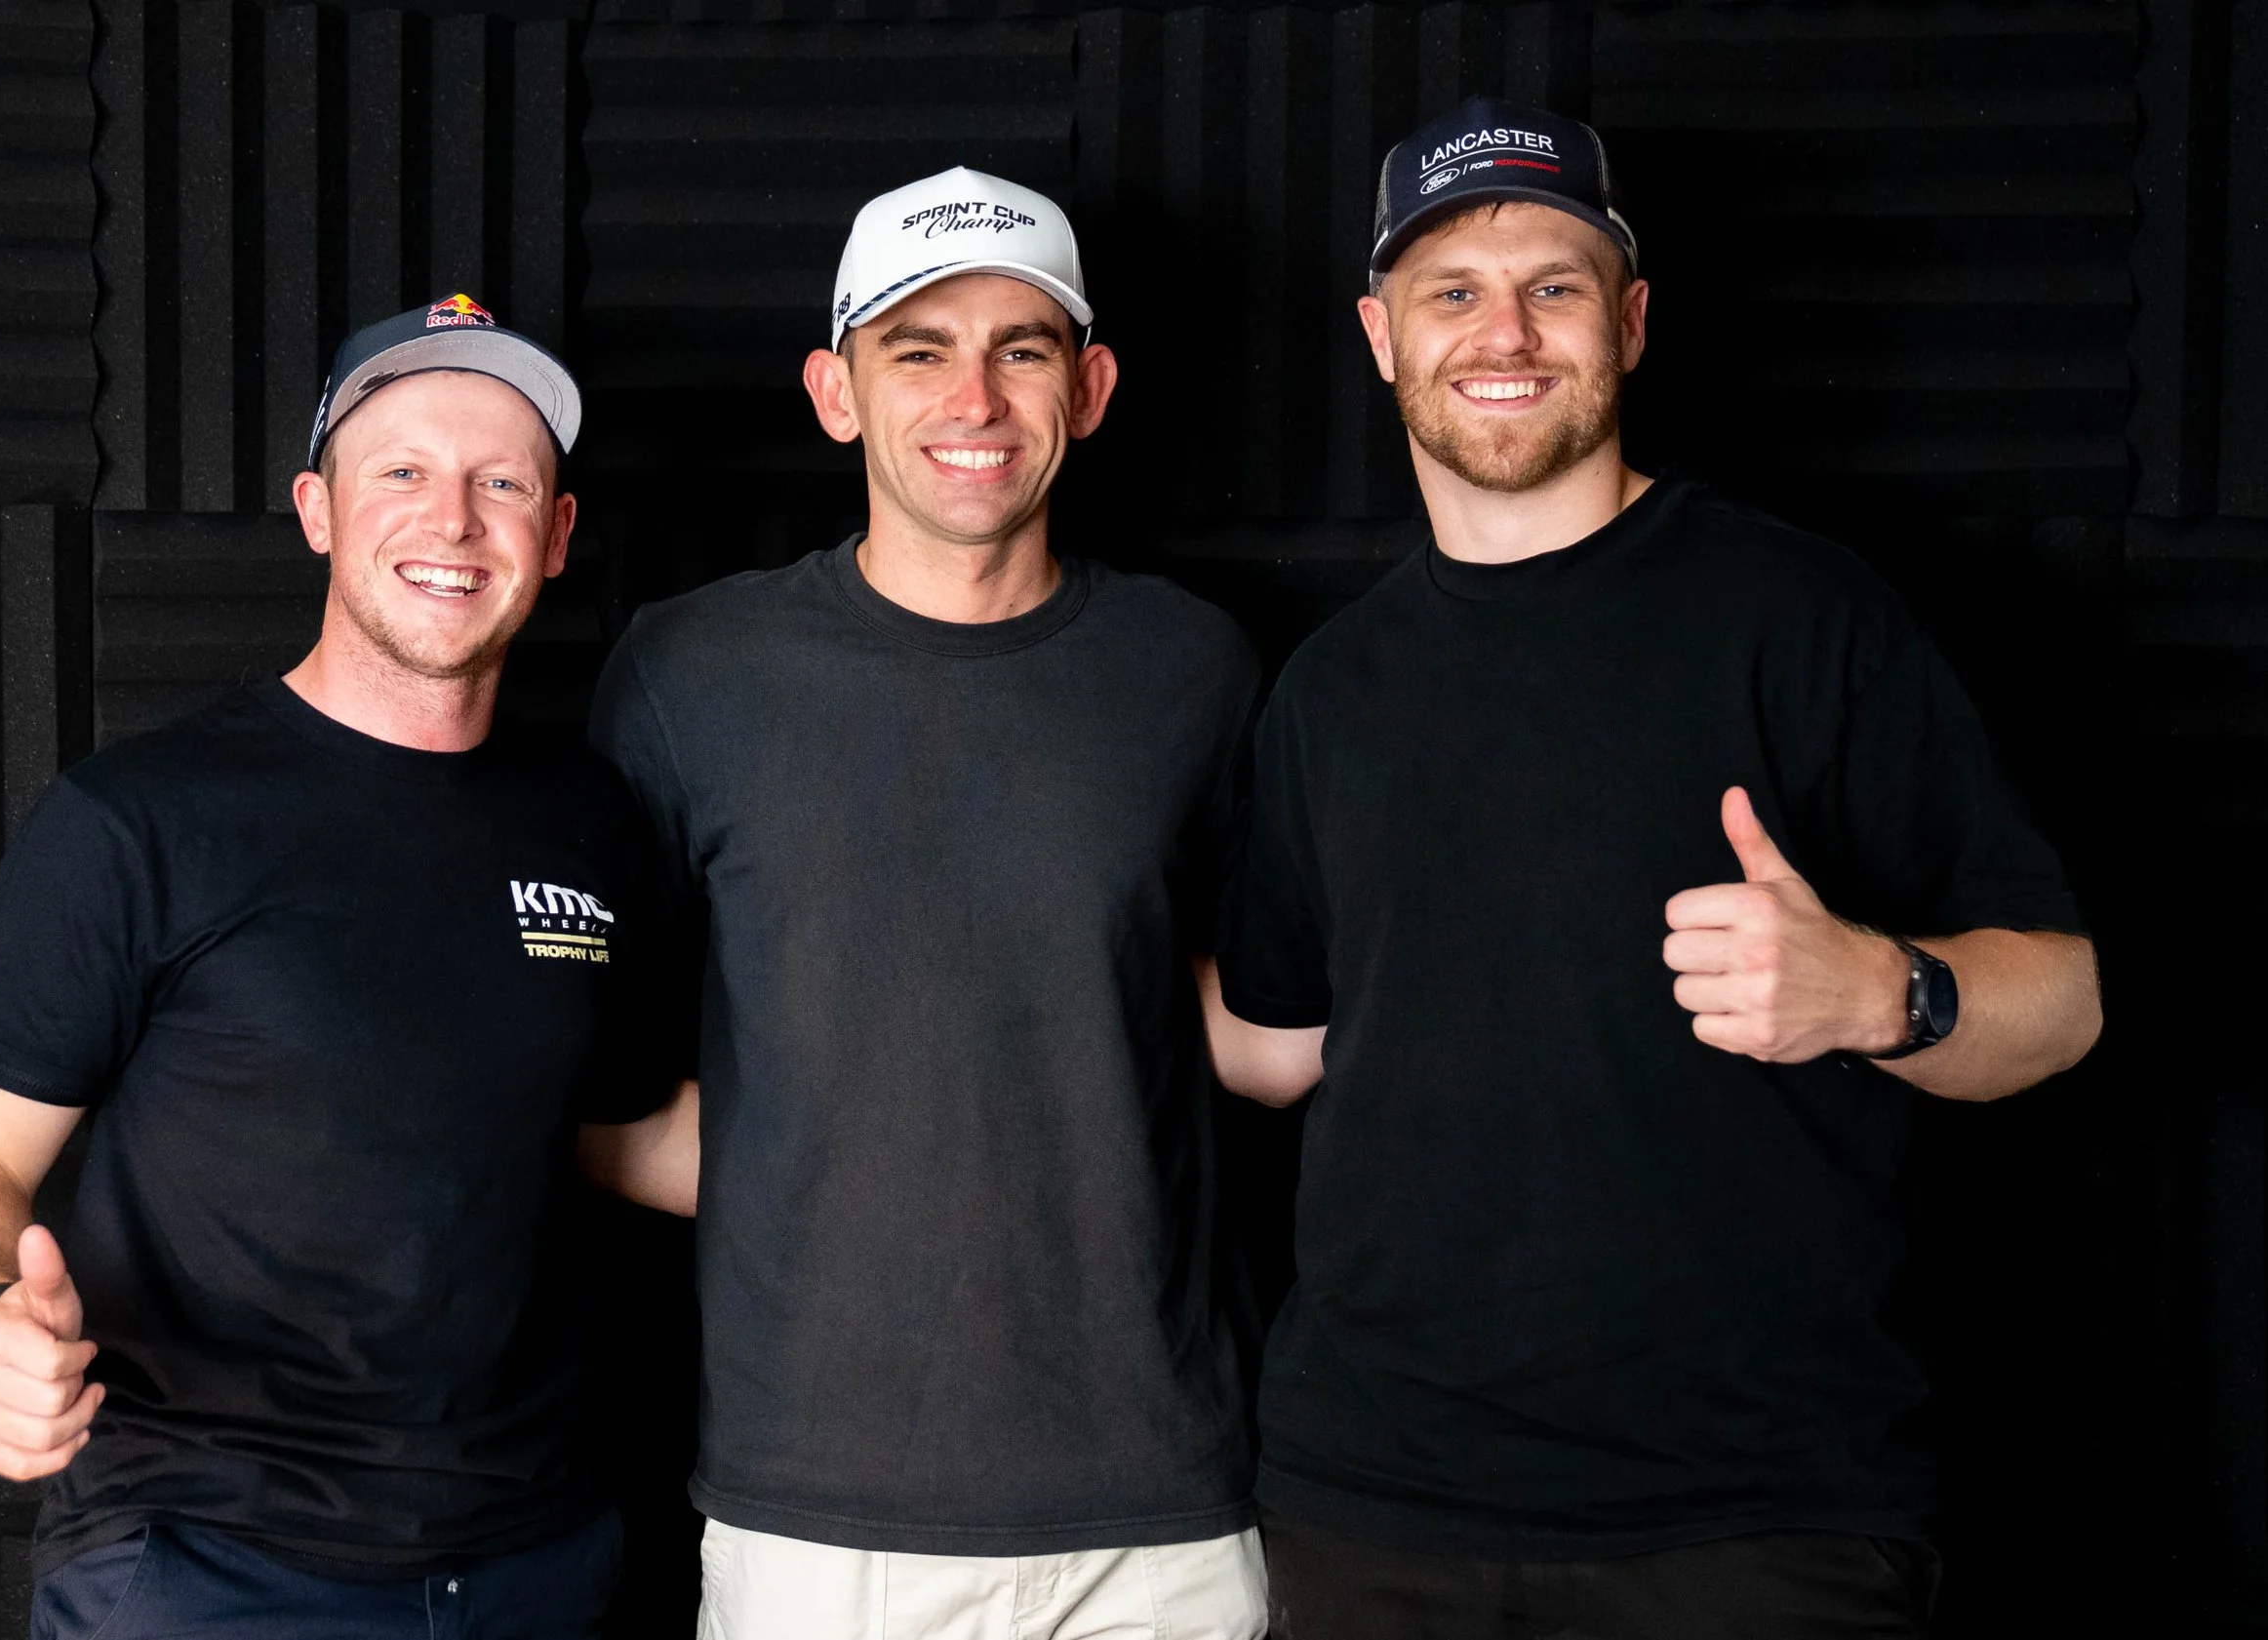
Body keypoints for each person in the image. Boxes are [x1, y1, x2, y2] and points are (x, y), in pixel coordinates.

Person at [1201, 99, 2104, 1640]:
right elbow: (1275, 1046)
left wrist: (1884, 991)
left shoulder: (1802, 618)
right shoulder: (1331, 691)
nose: (1507, 333)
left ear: (1628, 319)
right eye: (1453, 293)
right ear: (1379, 337)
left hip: (1756, 1525)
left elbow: (2068, 1003)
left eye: (1554, 286)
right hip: (1377, 1515)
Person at [0, 296, 696, 1638]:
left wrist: (949, 1159)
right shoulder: (140, 821)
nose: (454, 521)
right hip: (211, 1565)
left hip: (536, 1562)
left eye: (503, 481)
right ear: (318, 509)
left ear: (552, 538)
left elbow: (611, 1130)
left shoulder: (590, 822)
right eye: (404, 474)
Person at [589, 168, 1267, 1639]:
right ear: (836, 392)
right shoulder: (685, 677)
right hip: (816, 1526)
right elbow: (589, 1076)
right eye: (918, 351)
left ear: (1088, 389)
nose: (976, 397)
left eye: (1021, 350)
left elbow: (1233, 1019)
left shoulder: (1195, 671)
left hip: (1159, 1526)